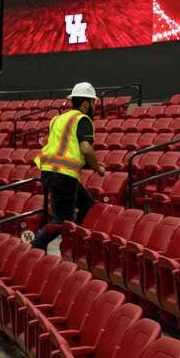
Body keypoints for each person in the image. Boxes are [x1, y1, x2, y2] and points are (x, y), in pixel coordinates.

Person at [30, 81, 106, 251]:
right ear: (86, 103)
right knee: (62, 218)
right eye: (93, 103)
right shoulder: (83, 119)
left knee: (87, 203)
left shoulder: (57, 119)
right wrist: (98, 168)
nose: (94, 107)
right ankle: (36, 246)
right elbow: (86, 148)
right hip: (64, 174)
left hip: (49, 171)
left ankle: (73, 239)